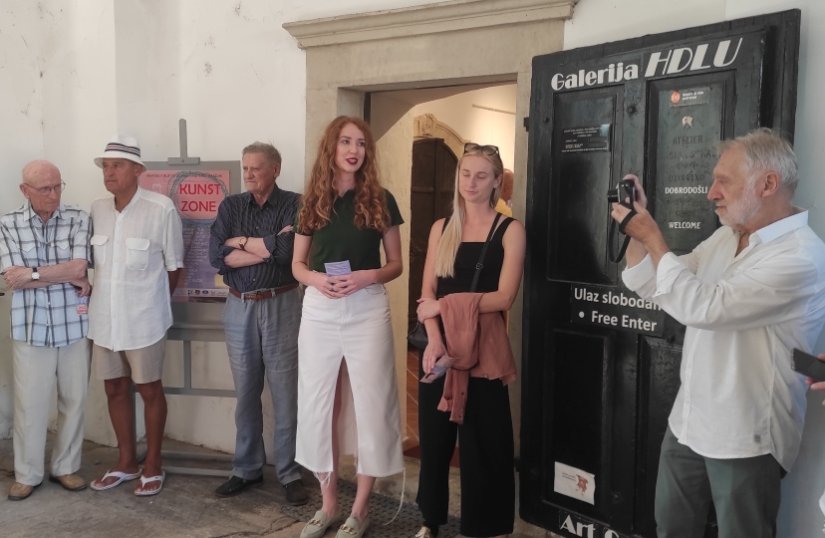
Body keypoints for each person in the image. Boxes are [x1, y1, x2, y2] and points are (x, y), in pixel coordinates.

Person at [610, 127, 825, 537]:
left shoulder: (802, 257)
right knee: (672, 528)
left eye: (723, 181)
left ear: (767, 184)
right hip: (689, 420)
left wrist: (653, 235)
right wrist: (635, 233)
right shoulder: (727, 236)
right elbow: (657, 282)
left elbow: (704, 307)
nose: (712, 193)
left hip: (748, 432)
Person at [292, 116, 404, 538]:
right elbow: (297, 264)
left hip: (366, 306)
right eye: (345, 142)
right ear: (331, 147)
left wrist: (366, 276)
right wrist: (317, 280)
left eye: (360, 143)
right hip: (320, 307)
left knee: (372, 402)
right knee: (319, 402)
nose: (353, 150)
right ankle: (328, 504)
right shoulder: (313, 200)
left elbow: (395, 264)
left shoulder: (380, 199)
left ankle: (360, 509)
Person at [413, 142, 526, 538]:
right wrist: (434, 340)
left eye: (481, 176)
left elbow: (504, 297)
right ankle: (429, 521)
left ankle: (485, 528)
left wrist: (444, 307)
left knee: (486, 446)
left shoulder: (510, 230)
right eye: (465, 174)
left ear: (496, 181)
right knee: (434, 442)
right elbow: (426, 293)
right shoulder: (441, 228)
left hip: (485, 351)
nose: (471, 183)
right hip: (440, 347)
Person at [208, 142, 307, 504]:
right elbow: (216, 255)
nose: (248, 174)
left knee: (285, 392)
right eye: (245, 167)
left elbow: (288, 253)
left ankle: (289, 472)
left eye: (256, 168)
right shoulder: (231, 206)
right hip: (239, 306)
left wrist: (242, 245)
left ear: (275, 169)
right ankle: (246, 468)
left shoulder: (295, 204)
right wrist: (266, 247)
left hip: (282, 303)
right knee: (246, 392)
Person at [87, 135, 184, 496]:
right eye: (106, 166)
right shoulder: (97, 209)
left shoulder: (161, 209)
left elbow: (174, 267)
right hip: (104, 319)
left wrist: (153, 305)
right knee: (113, 387)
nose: (109, 172)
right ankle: (126, 462)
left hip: (144, 319)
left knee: (149, 389)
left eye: (117, 166)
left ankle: (153, 464)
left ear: (137, 170)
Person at [0, 160, 92, 501]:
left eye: (57, 186)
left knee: (75, 400)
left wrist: (33, 274)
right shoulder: (7, 224)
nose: (53, 194)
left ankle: (65, 467)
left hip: (74, 325)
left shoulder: (78, 217)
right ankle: (27, 474)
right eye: (44, 189)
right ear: (25, 190)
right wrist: (62, 274)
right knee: (30, 405)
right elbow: (13, 277)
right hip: (30, 327)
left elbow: (79, 267)